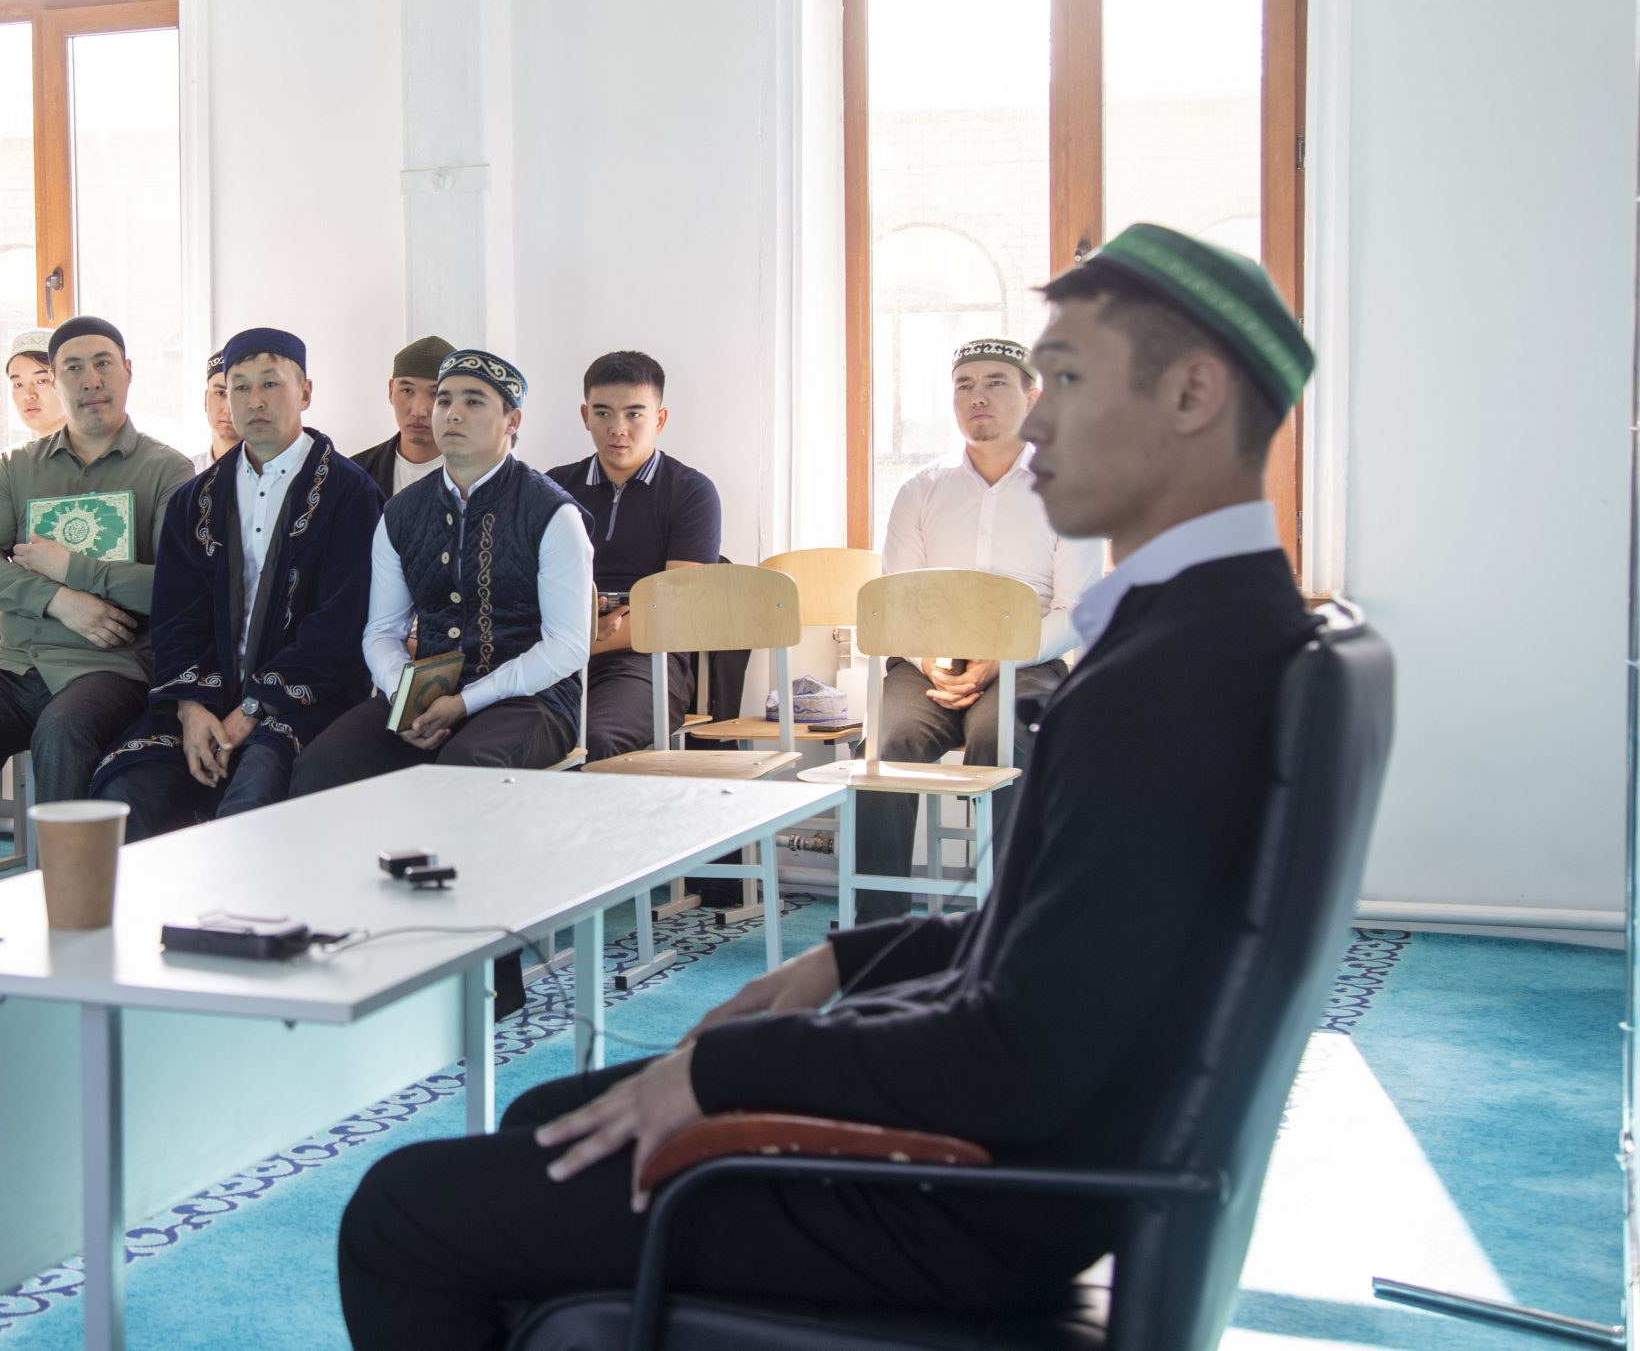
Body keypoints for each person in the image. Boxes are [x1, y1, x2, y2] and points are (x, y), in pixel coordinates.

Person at [333, 225, 1319, 1349]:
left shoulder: (1173, 687)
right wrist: (842, 960)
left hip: (968, 1205)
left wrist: (726, 1072)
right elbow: (1057, 943)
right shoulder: (1213, 637)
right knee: (547, 1115)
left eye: (1069, 381)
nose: (1034, 421)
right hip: (1012, 1168)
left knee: (402, 1213)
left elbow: (1020, 1052)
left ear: (1192, 394)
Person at [852, 335, 1106, 922]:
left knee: (1004, 741)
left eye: (995, 383)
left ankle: (1009, 923)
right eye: (964, 386)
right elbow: (898, 600)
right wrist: (932, 662)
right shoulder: (921, 490)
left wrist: (1003, 660)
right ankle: (879, 928)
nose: (977, 398)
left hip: (1027, 661)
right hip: (928, 665)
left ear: (1033, 398)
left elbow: (1077, 610)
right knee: (884, 747)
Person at [91, 329, 382, 839]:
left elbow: (341, 624)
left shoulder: (350, 492)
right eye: (239, 387)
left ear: (305, 392)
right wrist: (190, 708)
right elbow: (176, 617)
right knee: (121, 801)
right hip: (204, 694)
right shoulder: (195, 499)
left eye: (270, 383)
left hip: (305, 699)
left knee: (251, 800)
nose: (254, 400)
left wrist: (251, 709)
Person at [0, 315, 194, 841]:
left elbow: (176, 588)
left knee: (63, 730)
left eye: (103, 364)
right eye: (74, 367)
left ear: (128, 371)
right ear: (56, 379)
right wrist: (59, 600)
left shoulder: (169, 470)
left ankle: (67, 889)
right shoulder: (17, 467)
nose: (91, 379)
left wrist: (72, 567)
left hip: (111, 668)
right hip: (13, 664)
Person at [289, 348, 593, 792]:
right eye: (444, 400)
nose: (452, 413)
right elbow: (382, 631)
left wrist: (466, 702)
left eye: (473, 401)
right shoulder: (400, 513)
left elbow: (567, 647)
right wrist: (403, 696)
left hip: (532, 701)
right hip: (428, 697)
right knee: (322, 765)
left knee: (463, 771)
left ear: (512, 420)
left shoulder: (552, 514)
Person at [544, 351, 721, 760]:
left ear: (660, 419)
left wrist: (580, 643)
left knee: (593, 740)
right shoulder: (554, 488)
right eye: (603, 413)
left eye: (634, 414)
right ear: (585, 416)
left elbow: (677, 611)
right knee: (502, 734)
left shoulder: (691, 492)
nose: (617, 429)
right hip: (557, 654)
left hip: (647, 660)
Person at [0, 328, 70, 671]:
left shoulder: (95, 461)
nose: (29, 394)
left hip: (78, 634)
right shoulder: (3, 468)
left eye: (42, 380)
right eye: (17, 383)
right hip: (15, 633)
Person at [353, 335, 455, 498]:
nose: (418, 411)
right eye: (407, 391)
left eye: (435, 394)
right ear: (390, 390)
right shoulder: (356, 474)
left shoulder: (480, 476)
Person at [192, 350, 241, 473]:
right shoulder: (185, 474)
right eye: (220, 393)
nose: (228, 409)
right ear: (205, 400)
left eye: (240, 392)